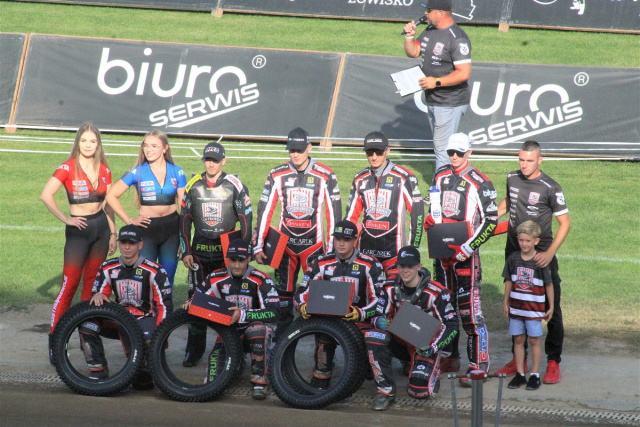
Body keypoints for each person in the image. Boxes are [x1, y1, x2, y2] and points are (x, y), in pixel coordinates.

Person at [252, 127, 341, 338]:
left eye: (299, 150)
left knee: (318, 302)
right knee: (283, 303)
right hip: (285, 249)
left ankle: (321, 351)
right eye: (291, 150)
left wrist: (332, 250)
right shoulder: (277, 174)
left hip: (314, 248)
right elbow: (265, 210)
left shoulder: (325, 175)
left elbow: (334, 215)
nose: (295, 154)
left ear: (309, 148)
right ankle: (281, 348)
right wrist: (258, 244)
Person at [423, 133, 497, 386]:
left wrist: (469, 246)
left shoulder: (481, 182)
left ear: (469, 153)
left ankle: (479, 366)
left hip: (466, 258)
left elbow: (491, 221)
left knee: (469, 313)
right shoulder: (440, 175)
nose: (454, 157)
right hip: (442, 256)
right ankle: (450, 357)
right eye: (450, 152)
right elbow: (434, 210)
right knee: (444, 309)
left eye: (459, 153)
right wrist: (430, 220)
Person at [40, 123, 117, 363]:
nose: (88, 145)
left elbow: (109, 204)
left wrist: (113, 233)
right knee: (69, 285)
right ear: (78, 142)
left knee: (92, 287)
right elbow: (46, 195)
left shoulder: (104, 169)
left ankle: (87, 339)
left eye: (92, 141)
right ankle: (56, 341)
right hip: (78, 233)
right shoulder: (67, 167)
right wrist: (66, 219)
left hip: (101, 231)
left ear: (98, 144)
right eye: (84, 141)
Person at [495, 140, 570, 385]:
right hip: (514, 255)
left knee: (550, 307)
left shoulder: (550, 187)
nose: (524, 165)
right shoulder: (512, 178)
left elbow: (565, 224)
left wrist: (549, 253)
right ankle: (518, 360)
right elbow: (508, 202)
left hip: (540, 258)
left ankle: (553, 361)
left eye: (529, 160)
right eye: (521, 159)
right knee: (517, 304)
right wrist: (489, 216)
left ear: (540, 160)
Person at [179, 141, 253, 367]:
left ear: (224, 161)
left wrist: (242, 254)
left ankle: (233, 350)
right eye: (208, 160)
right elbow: (184, 220)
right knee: (196, 299)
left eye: (215, 160)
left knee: (229, 301)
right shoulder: (193, 184)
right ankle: (194, 349)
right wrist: (186, 251)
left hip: (226, 255)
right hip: (199, 254)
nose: (211, 164)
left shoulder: (235, 185)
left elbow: (246, 220)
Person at [293, 220, 385, 389]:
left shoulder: (371, 264)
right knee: (323, 340)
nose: (341, 243)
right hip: (330, 322)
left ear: (355, 240)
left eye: (347, 239)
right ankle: (321, 374)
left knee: (365, 371)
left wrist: (360, 313)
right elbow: (301, 293)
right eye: (338, 239)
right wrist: (302, 306)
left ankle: (366, 365)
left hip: (360, 322)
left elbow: (381, 301)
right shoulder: (320, 262)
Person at [185, 239, 280, 400]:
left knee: (258, 330)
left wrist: (242, 315)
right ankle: (237, 362)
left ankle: (260, 381)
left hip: (254, 331)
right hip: (228, 333)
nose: (236, 265)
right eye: (233, 260)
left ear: (249, 258)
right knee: (213, 383)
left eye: (241, 261)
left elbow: (274, 312)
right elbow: (198, 298)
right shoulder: (215, 277)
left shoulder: (262, 279)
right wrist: (190, 303)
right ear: (227, 258)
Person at [366, 246, 458, 411]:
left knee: (419, 391)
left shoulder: (437, 292)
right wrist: (377, 321)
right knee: (373, 336)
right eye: (402, 265)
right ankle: (385, 391)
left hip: (424, 346)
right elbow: (376, 314)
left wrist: (433, 347)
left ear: (419, 266)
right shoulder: (388, 287)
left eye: (410, 266)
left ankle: (429, 368)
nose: (405, 270)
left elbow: (452, 325)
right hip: (399, 341)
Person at [83, 225, 173, 380]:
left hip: (144, 320)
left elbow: (165, 306)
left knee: (142, 382)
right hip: (118, 319)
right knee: (86, 325)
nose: (126, 247)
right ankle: (98, 370)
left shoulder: (155, 270)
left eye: (131, 243)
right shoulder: (107, 267)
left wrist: (159, 334)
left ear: (140, 245)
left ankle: (151, 364)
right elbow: (99, 299)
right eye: (123, 242)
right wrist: (98, 295)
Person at [105, 131, 186, 288]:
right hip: (147, 230)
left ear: (165, 148)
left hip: (172, 230)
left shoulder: (177, 171)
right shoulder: (138, 171)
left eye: (154, 146)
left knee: (167, 278)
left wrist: (183, 238)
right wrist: (129, 220)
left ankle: (165, 305)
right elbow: (110, 196)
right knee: (145, 278)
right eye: (146, 146)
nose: (149, 150)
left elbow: (183, 206)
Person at [402, 0, 472, 172]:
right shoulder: (430, 30)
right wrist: (409, 37)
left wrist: (437, 82)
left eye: (428, 10)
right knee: (441, 146)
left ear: (440, 13)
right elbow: (414, 52)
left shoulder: (457, 38)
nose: (425, 13)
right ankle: (449, 181)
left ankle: (440, 186)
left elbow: (464, 73)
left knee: (443, 149)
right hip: (433, 99)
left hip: (450, 101)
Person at [345, 131, 423, 275]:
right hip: (365, 252)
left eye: (379, 152)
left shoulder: (404, 177)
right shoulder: (360, 179)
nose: (374, 157)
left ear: (387, 151)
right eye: (369, 153)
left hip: (394, 254)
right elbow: (350, 217)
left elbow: (417, 214)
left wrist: (413, 247)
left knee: (394, 289)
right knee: (364, 289)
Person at [503, 221, 554, 391]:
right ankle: (519, 374)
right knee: (518, 339)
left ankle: (534, 375)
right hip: (516, 308)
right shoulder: (512, 259)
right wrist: (505, 302)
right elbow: (508, 281)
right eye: (521, 240)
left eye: (528, 241)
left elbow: (549, 284)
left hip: (534, 310)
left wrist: (551, 306)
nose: (524, 244)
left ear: (536, 241)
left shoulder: (540, 260)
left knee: (534, 340)